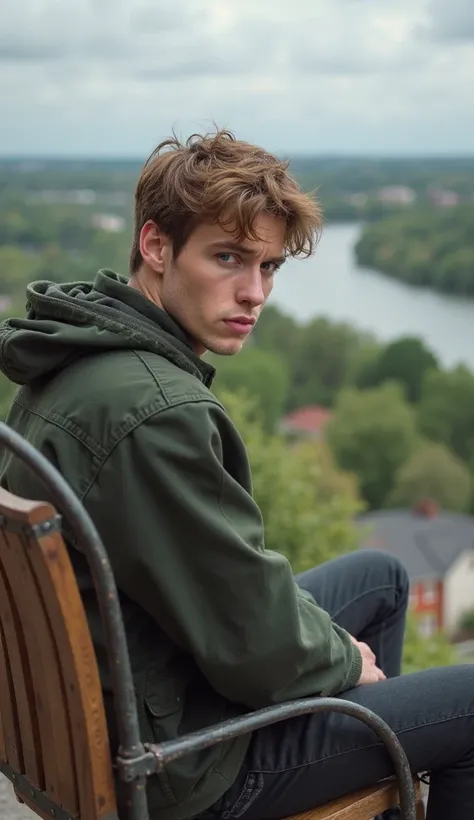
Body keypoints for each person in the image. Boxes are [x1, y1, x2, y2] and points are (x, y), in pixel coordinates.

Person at [0, 129, 473, 820]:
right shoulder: (156, 413)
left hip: (136, 703)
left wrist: (331, 650)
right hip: (180, 769)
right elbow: (251, 647)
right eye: (228, 258)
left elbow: (231, 591)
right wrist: (343, 664)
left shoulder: (72, 355)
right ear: (157, 247)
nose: (254, 293)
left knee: (382, 578)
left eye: (270, 267)